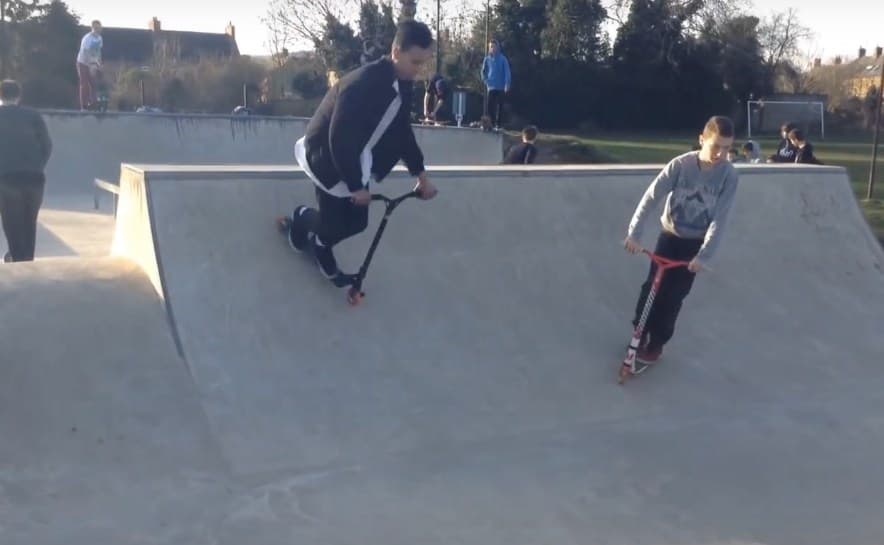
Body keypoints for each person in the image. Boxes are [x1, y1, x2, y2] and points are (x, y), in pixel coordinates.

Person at [287, 21, 438, 283]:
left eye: (423, 63)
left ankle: (321, 241)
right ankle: (303, 219)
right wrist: (356, 186)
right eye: (415, 62)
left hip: (355, 155)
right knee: (334, 224)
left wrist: (421, 175)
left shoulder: (401, 83)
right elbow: (339, 137)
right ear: (396, 52)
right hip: (326, 154)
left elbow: (402, 130)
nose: (419, 69)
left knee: (358, 223)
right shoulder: (362, 84)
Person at [623, 115, 740, 366]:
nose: (721, 154)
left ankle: (657, 343)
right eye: (716, 146)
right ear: (702, 139)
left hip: (694, 246)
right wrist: (635, 234)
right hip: (669, 237)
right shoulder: (680, 165)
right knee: (652, 289)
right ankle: (639, 334)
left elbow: (721, 218)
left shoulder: (728, 175)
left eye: (727, 148)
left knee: (673, 297)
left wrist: (704, 256)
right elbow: (651, 197)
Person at [0, 80, 52, 262]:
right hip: (35, 178)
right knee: (29, 222)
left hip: (7, 178)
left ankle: (17, 258)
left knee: (11, 222)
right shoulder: (33, 115)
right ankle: (27, 259)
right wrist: (37, 165)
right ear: (19, 96)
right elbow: (47, 145)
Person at [481, 39, 511, 130]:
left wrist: (507, 83)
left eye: (494, 46)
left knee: (500, 106)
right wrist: (486, 81)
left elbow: (507, 72)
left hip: (501, 87)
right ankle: (491, 124)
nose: (492, 48)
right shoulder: (487, 59)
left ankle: (498, 124)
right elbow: (483, 71)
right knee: (490, 106)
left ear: (498, 47)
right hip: (491, 87)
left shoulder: (503, 59)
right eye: (491, 47)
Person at [76, 20, 103, 110]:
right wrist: (91, 65)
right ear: (92, 28)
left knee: (93, 83)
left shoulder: (100, 38)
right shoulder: (87, 39)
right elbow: (86, 52)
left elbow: (98, 52)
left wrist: (99, 64)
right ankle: (83, 106)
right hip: (83, 61)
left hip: (93, 62)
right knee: (84, 83)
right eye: (96, 28)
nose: (98, 30)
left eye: (99, 28)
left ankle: (93, 105)